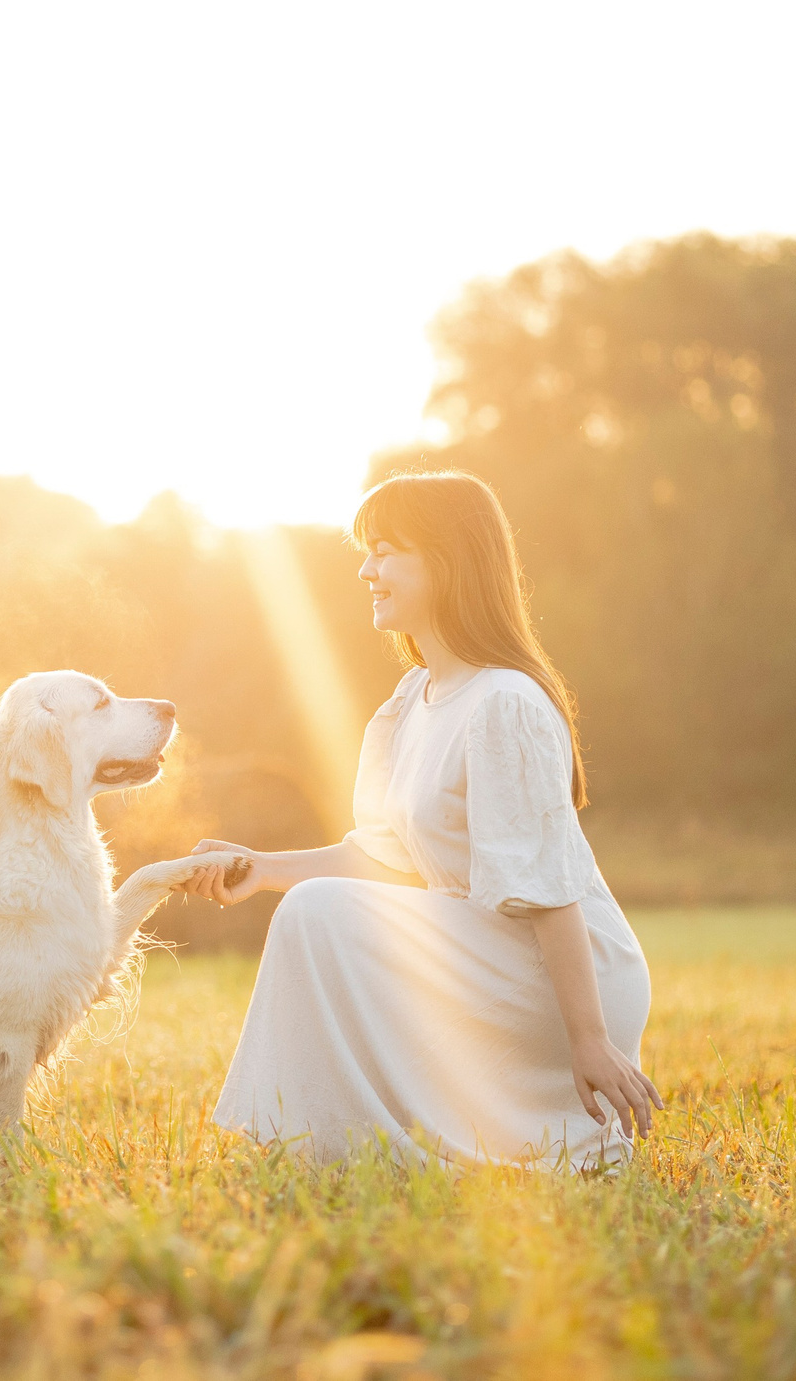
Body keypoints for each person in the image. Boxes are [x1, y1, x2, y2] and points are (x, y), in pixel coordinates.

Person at [178, 470, 660, 1169]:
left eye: (385, 550)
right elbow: (390, 858)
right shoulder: (414, 701)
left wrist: (587, 1037)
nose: (367, 569)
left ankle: (331, 1148)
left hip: (563, 975)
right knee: (312, 910)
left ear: (446, 560)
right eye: (365, 551)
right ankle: (333, 1149)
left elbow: (549, 889)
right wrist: (261, 870)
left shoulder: (504, 702)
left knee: (317, 914)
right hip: (489, 950)